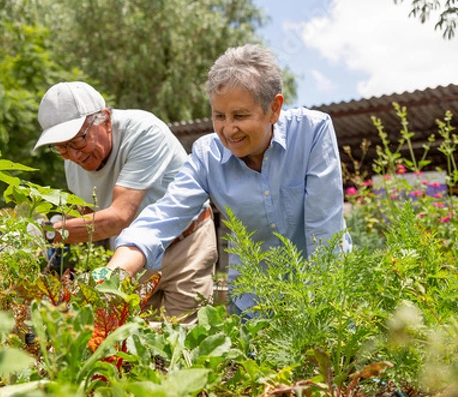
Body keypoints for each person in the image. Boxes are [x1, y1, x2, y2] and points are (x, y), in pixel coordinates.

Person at [105, 44, 353, 318]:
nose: (228, 129)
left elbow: (324, 233)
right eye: (219, 116)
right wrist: (113, 273)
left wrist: (321, 310)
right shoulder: (206, 156)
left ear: (274, 108)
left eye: (240, 116)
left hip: (321, 292)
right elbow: (164, 216)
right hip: (255, 302)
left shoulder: (312, 133)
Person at [33, 81, 218, 323]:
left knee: (180, 343)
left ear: (105, 119)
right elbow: (90, 222)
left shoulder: (144, 131)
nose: (74, 155)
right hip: (130, 254)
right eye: (62, 147)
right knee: (130, 344)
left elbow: (119, 217)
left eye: (78, 140)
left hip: (185, 246)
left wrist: (46, 233)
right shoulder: (73, 163)